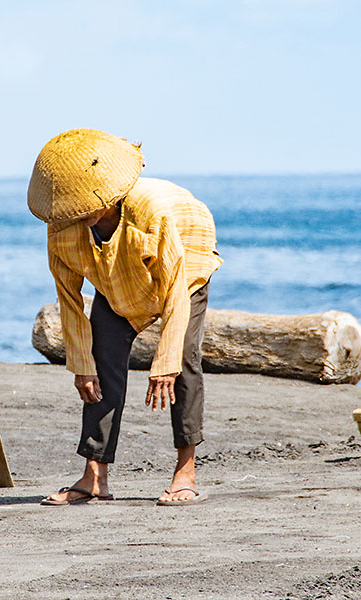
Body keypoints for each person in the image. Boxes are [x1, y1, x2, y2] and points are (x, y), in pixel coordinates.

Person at [28, 128, 222, 506]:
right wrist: (81, 365)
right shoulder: (62, 226)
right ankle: (94, 476)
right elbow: (69, 299)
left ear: (107, 195)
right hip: (117, 272)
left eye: (85, 204)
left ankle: (186, 471)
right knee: (101, 358)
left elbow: (174, 291)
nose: (78, 212)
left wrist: (164, 364)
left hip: (186, 252)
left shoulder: (150, 213)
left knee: (183, 358)